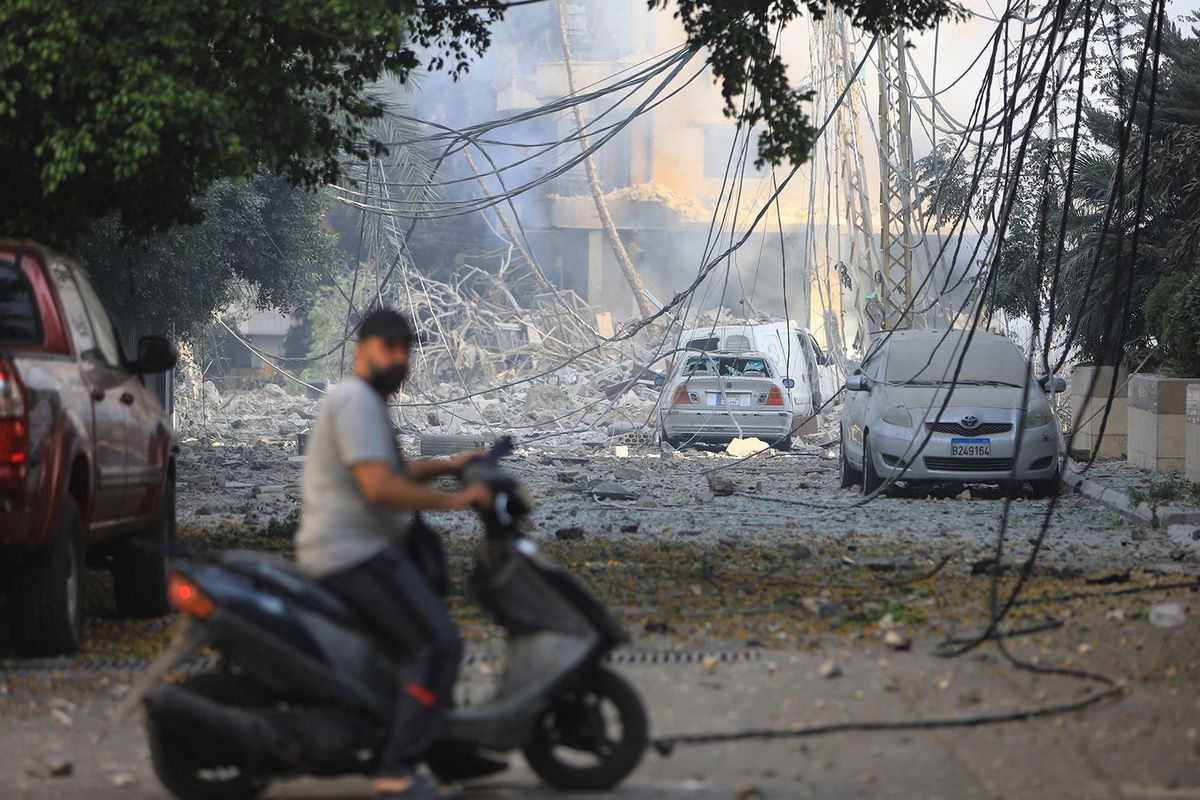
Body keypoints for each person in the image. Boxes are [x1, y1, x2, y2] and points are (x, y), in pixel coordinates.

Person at [295, 308, 489, 799]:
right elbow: (382, 488)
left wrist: (452, 464)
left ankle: (435, 746)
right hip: (353, 555)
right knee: (438, 644)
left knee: (414, 646)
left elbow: (396, 469)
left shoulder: (364, 403)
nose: (400, 358)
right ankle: (398, 769)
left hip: (361, 551)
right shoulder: (355, 401)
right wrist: (456, 501)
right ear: (364, 349)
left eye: (407, 349)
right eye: (390, 347)